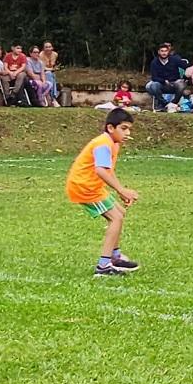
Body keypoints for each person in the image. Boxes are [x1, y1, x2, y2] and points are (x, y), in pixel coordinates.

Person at [65, 108, 140, 276]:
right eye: (123, 128)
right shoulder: (103, 144)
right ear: (110, 128)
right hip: (85, 187)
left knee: (119, 212)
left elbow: (107, 170)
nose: (127, 133)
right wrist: (121, 190)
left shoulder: (113, 143)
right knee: (116, 218)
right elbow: (100, 170)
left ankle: (115, 256)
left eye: (129, 129)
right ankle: (104, 266)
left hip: (92, 186)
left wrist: (120, 191)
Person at [145, 43, 187, 111]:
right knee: (153, 85)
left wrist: (185, 78)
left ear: (168, 52)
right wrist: (163, 81)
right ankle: (165, 104)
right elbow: (154, 77)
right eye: (162, 51)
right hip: (162, 84)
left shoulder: (174, 59)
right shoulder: (154, 62)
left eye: (165, 51)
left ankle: (173, 103)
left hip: (174, 83)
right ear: (159, 52)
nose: (164, 53)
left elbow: (186, 67)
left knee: (181, 84)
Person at [40, 42, 60, 106]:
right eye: (46, 47)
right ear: (43, 48)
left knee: (52, 76)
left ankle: (53, 98)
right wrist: (51, 69)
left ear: (52, 48)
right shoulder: (41, 55)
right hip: (43, 72)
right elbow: (42, 67)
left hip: (51, 72)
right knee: (49, 74)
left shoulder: (55, 54)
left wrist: (54, 69)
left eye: (49, 47)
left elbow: (54, 65)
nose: (48, 48)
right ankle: (53, 98)